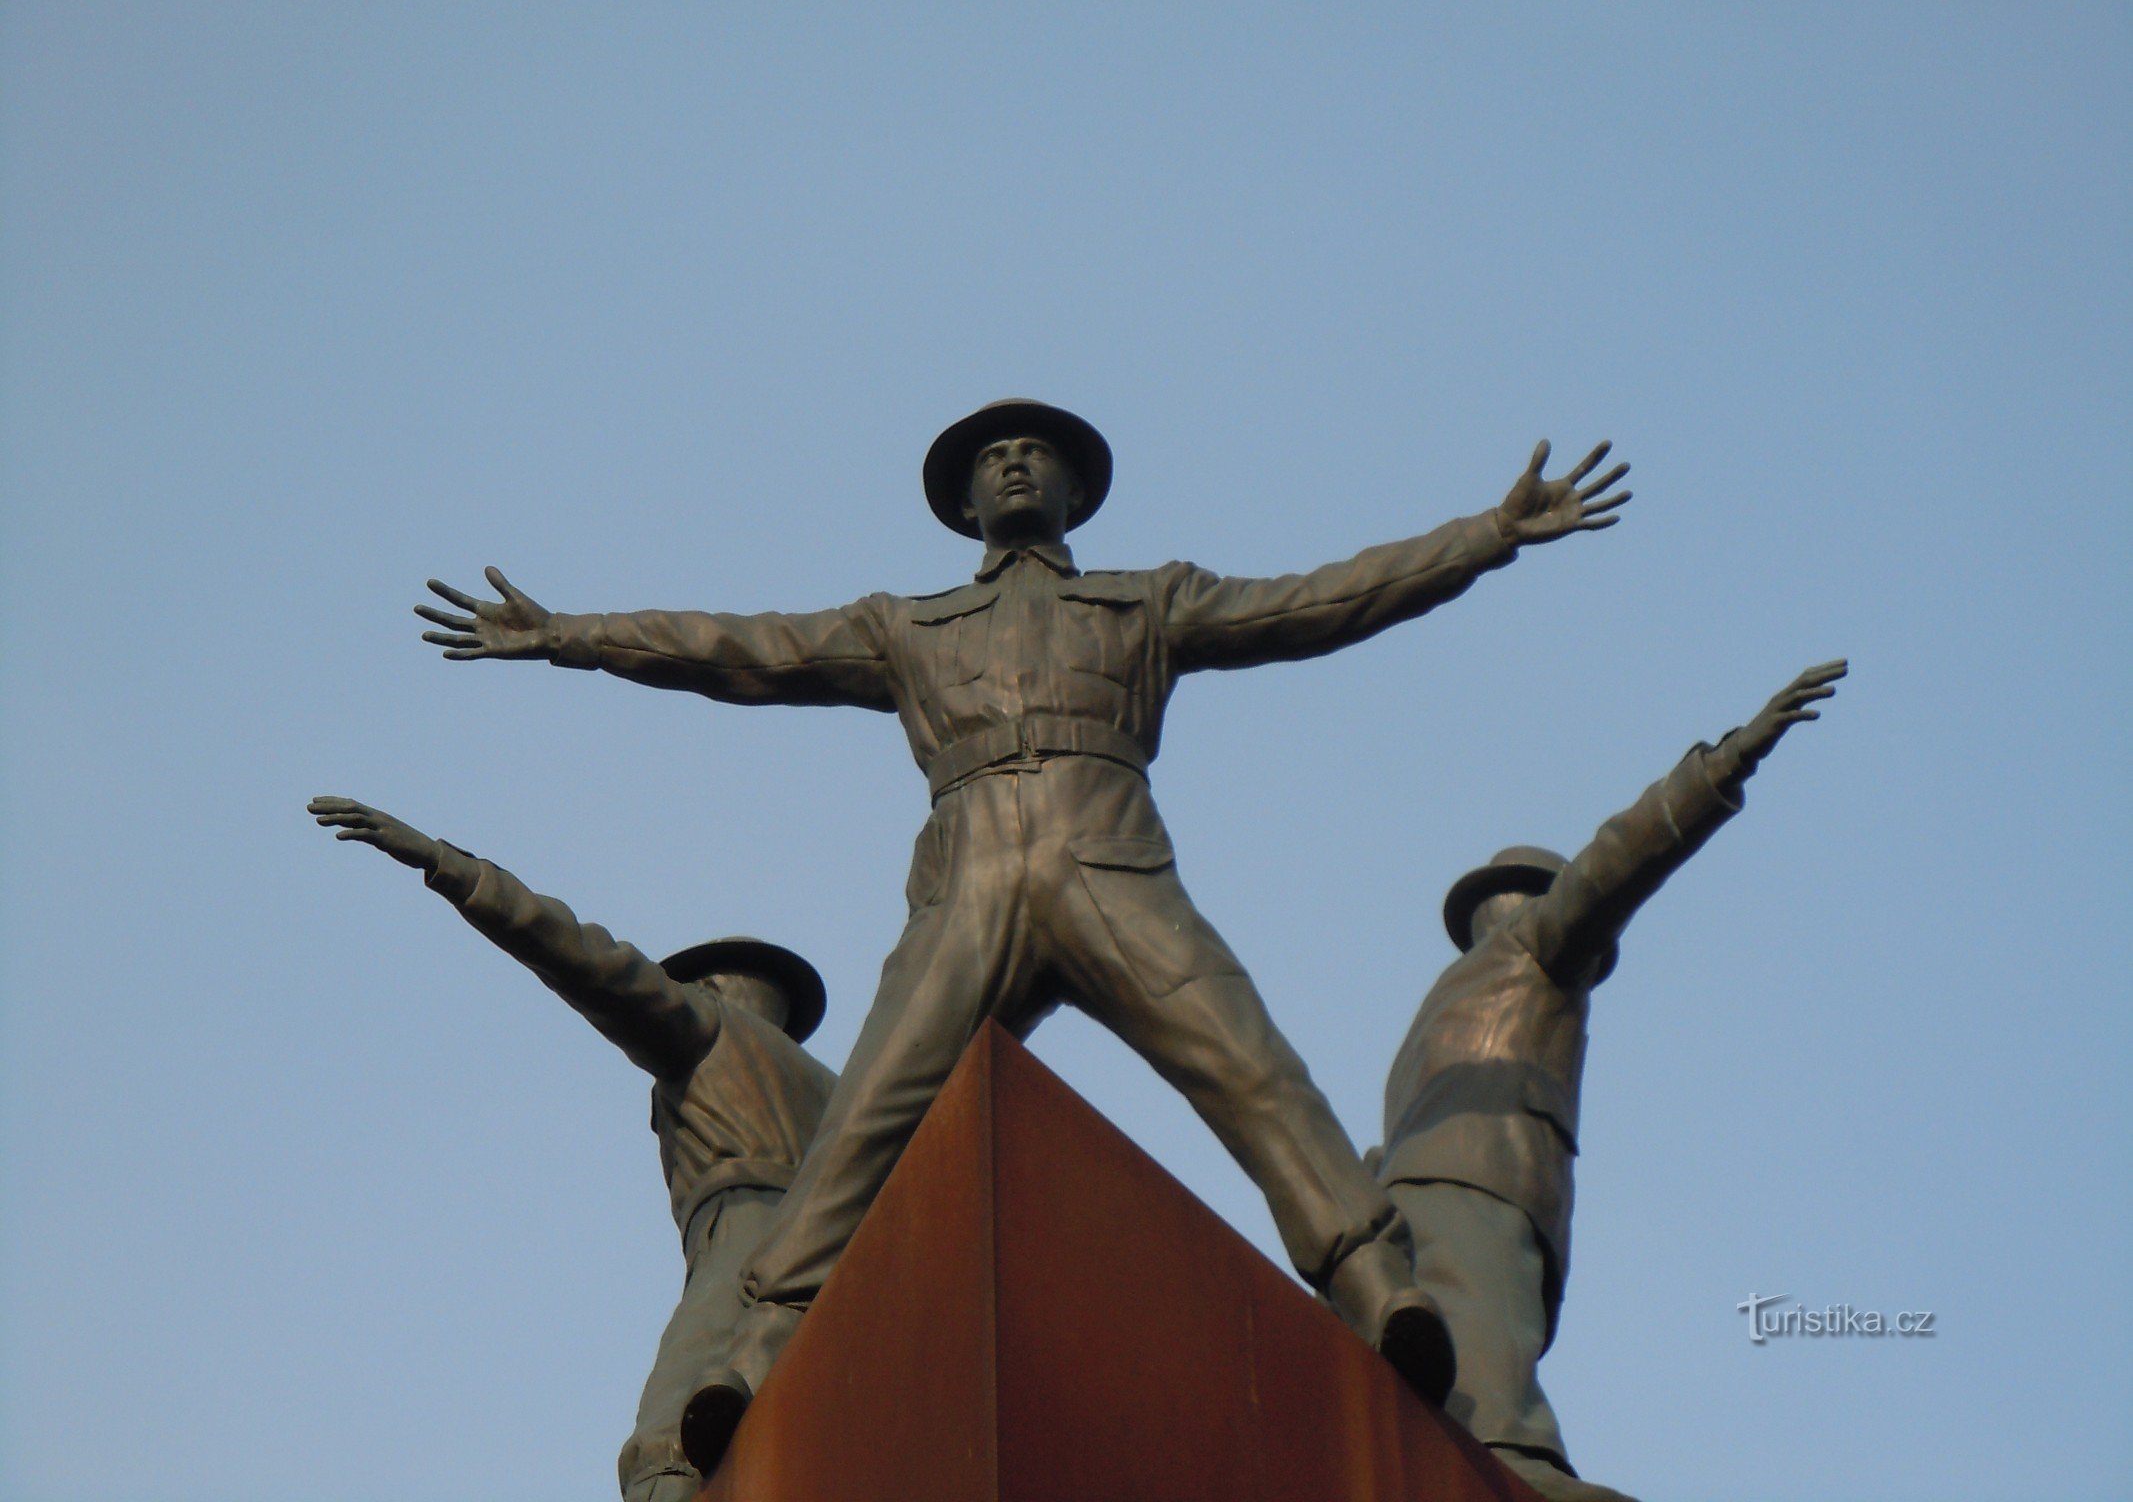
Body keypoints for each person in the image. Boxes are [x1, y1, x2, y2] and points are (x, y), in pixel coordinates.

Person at [414, 399, 1632, 1465]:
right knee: (859, 1137)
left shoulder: (1146, 600)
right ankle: (755, 1358)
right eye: (991, 456)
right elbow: (745, 649)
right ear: (959, 499)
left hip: (1112, 863)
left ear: (1072, 488)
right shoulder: (909, 626)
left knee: (1255, 1074)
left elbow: (1318, 602)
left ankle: (1377, 1285)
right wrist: (565, 633)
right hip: (969, 887)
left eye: (1034, 453)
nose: (1011, 466)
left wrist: (1486, 535)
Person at [1376, 660, 1847, 1502]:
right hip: (1421, 1190)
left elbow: (1616, 861)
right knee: (1432, 1362)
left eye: (1517, 895)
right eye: (1492, 896)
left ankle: (1521, 1472)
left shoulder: (1537, 957)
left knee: (1485, 1385)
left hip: (1480, 1181)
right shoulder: (1454, 995)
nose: (1499, 909)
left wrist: (1723, 764)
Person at [305, 796, 836, 1502]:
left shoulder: (707, 1033)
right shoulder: (836, 1091)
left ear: (707, 990)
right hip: (838, 1248)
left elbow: (584, 959)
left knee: (666, 1440)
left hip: (743, 1228)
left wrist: (450, 867)